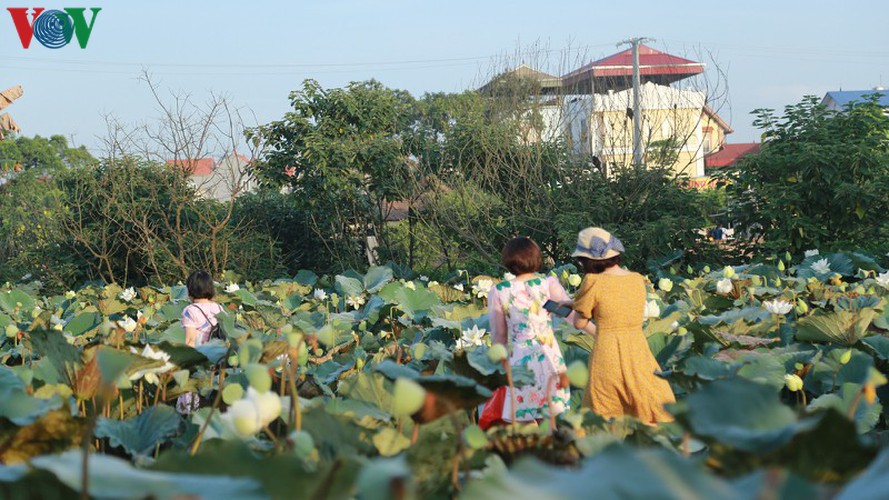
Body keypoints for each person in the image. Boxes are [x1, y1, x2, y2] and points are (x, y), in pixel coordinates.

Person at [569, 227, 675, 424]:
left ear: (589, 260)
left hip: (607, 352)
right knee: (648, 395)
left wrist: (575, 311)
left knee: (604, 407)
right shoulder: (636, 279)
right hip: (637, 348)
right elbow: (619, 305)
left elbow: (580, 322)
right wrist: (574, 302)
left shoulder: (593, 281)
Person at [486, 237, 572, 424]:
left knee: (524, 419)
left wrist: (498, 368)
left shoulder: (499, 291)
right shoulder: (549, 284)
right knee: (551, 420)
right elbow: (571, 316)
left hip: (520, 359)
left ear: (508, 260)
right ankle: (556, 451)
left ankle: (533, 451)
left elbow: (499, 336)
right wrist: (599, 332)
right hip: (549, 354)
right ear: (536, 257)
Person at [176, 270, 223, 414]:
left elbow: (190, 340)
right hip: (217, 357)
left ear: (190, 290)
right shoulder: (219, 308)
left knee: (190, 392)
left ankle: (189, 417)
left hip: (199, 358)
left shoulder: (190, 311)